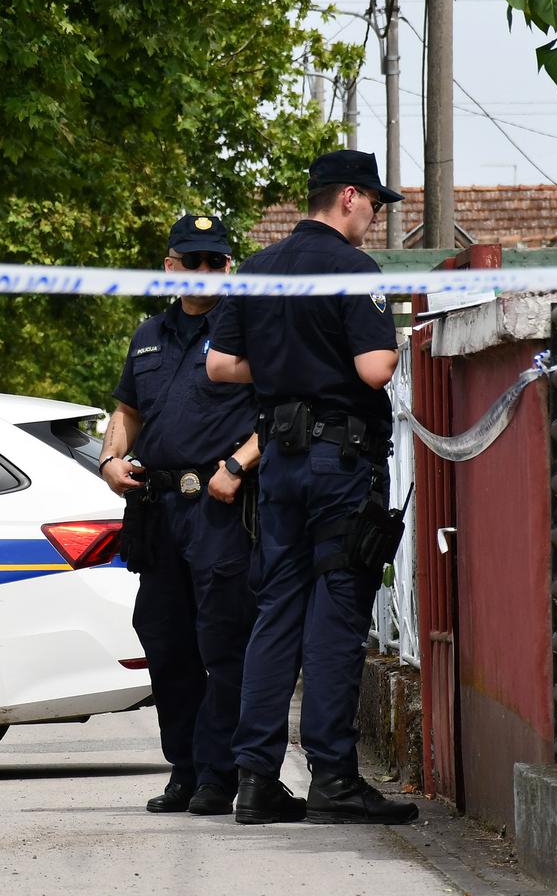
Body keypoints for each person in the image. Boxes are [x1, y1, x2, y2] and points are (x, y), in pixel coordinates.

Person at [205, 149, 419, 826]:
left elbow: (219, 365)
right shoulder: (353, 270)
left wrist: (284, 366)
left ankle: (255, 781)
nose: (376, 219)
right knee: (337, 615)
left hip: (281, 467)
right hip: (340, 465)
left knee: (277, 613)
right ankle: (332, 779)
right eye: (376, 206)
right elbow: (377, 368)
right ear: (349, 197)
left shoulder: (261, 269)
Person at [101, 214, 260, 817]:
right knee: (165, 641)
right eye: (190, 261)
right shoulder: (148, 334)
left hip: (221, 507)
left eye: (214, 262)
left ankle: (221, 774)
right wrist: (111, 458)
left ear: (228, 266)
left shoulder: (246, 331)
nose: (203, 272)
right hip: (158, 509)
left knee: (221, 642)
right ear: (170, 267)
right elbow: (126, 410)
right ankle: (185, 768)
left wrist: (240, 466)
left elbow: (277, 411)